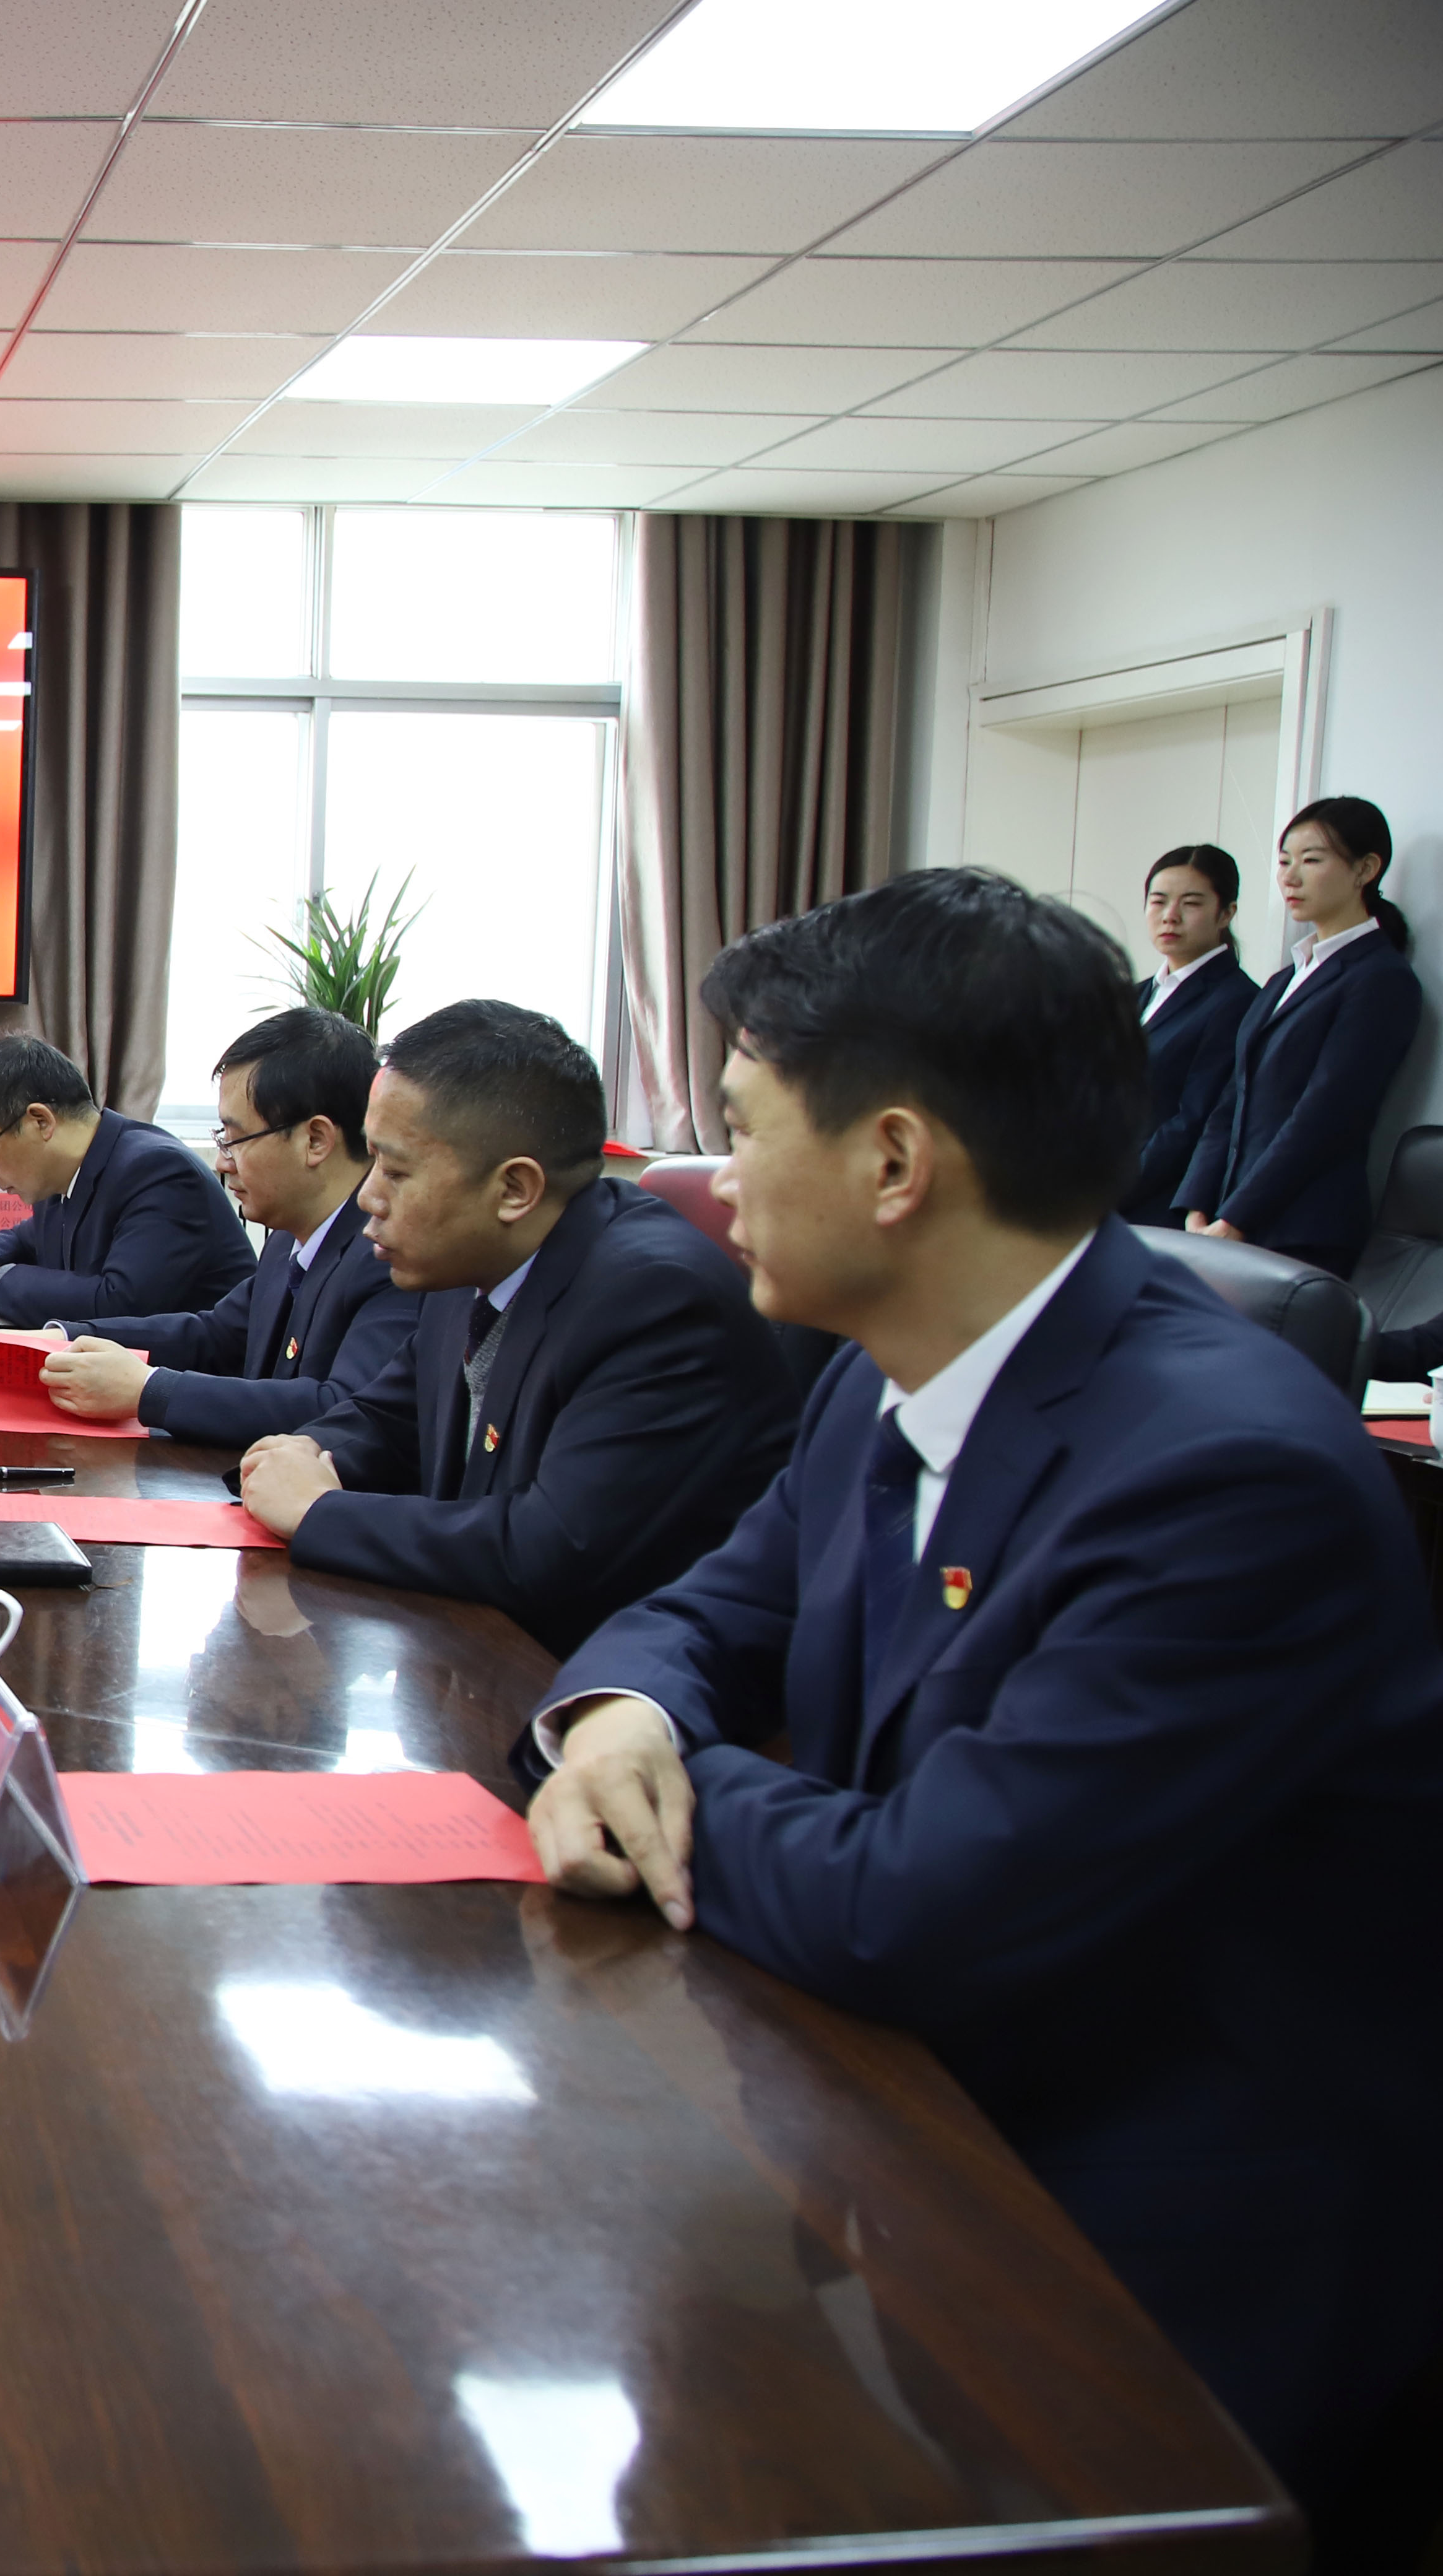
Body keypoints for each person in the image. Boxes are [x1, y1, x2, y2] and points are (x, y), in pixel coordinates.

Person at [524, 867, 1443, 2536]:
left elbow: (917, 1905)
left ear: (893, 1162)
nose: (710, 1180)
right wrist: (617, 1717)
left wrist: (675, 1774)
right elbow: (706, 1612)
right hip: (917, 2112)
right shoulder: (884, 1376)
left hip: (1153, 2245)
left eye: (740, 1126)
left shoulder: (1226, 1478)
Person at [240, 999, 795, 1656]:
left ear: (513, 1190)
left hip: (599, 1683)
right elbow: (386, 1418)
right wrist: (295, 1456)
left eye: (396, 1170)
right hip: (468, 1657)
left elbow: (547, 1549)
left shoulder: (656, 1299)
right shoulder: (470, 1261)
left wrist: (319, 1512)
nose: (368, 1197)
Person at [40, 1006, 419, 1444]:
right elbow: (215, 1335)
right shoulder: (288, 1239)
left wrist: (149, 1391)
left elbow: (342, 1408)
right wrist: (67, 1338)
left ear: (315, 1140)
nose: (222, 1162)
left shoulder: (388, 1253)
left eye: (234, 1138)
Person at [1177, 794, 1420, 1274]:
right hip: (1229, 1223)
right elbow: (1232, 1102)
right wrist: (1197, 1206)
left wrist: (1237, 1219)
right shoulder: (1284, 979)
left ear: (1366, 869)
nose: (1289, 877)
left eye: (1311, 860)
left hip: (1302, 1231)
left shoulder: (1380, 978)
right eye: (1285, 861)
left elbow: (1327, 1116)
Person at [0, 1033, 251, 1325]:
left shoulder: (159, 1172)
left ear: (40, 1122)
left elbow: (121, 1302)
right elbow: (29, 1239)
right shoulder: (64, 1171)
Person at [1121, 843, 1256, 1227]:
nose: (1170, 916)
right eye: (1158, 901)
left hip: (1155, 1204)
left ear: (1226, 913)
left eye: (1191, 903)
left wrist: (1108, 1192)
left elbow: (1192, 1120)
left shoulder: (1237, 1000)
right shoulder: (1134, 995)